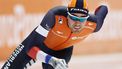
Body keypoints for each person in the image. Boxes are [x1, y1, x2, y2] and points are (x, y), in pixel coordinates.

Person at [2, 0, 108, 69]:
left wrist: (104, 3)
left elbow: (103, 9)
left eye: (81, 19)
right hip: (38, 45)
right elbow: (30, 49)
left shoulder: (94, 24)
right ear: (67, 15)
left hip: (61, 51)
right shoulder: (54, 15)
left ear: (87, 18)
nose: (77, 23)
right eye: (74, 18)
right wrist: (50, 59)